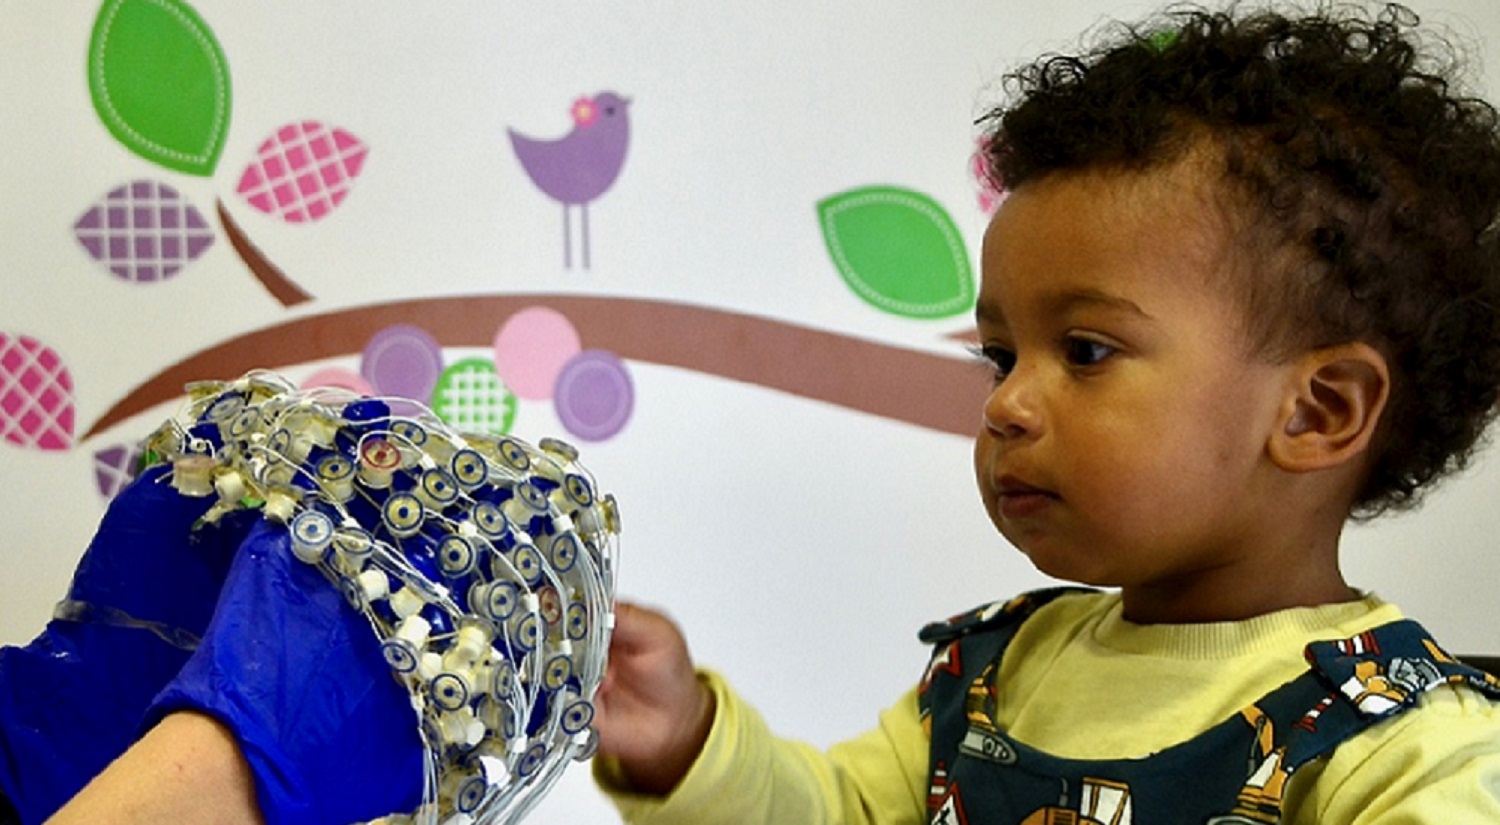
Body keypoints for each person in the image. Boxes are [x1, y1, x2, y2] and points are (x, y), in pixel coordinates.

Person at [587, 4, 1500, 823]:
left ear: (1319, 412)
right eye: (1000, 357)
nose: (1008, 403)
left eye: (1087, 352)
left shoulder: (1404, 753)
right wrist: (687, 741)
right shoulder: (993, 675)